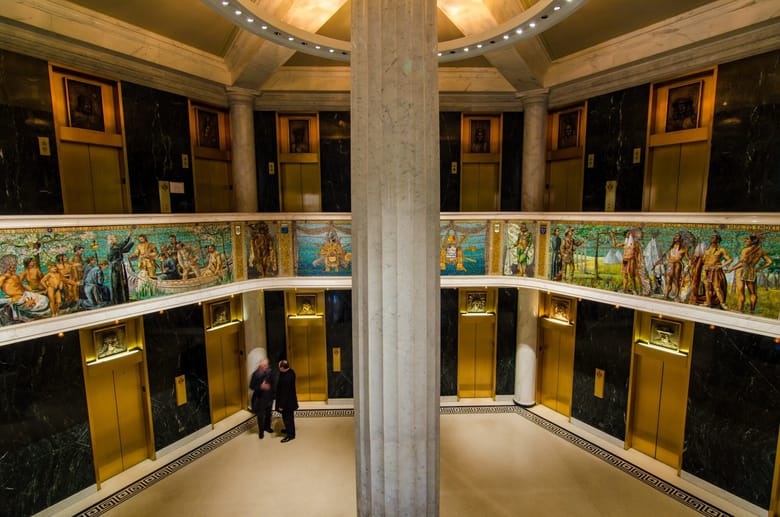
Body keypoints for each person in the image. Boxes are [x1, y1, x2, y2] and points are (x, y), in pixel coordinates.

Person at [726, 233, 773, 314]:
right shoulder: (761, 251)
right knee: (753, 293)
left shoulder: (745, 250)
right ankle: (752, 311)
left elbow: (742, 263)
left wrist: (731, 269)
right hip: (751, 271)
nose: (745, 241)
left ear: (752, 241)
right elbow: (770, 262)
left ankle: (740, 310)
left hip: (741, 270)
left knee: (741, 292)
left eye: (747, 239)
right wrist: (758, 268)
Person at [653, 232, 689, 301]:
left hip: (677, 264)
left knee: (676, 281)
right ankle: (666, 295)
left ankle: (676, 296)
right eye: (675, 236)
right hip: (670, 265)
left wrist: (691, 261)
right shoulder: (671, 247)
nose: (675, 237)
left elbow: (687, 258)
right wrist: (656, 263)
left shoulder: (684, 248)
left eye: (677, 236)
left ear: (681, 238)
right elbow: (663, 257)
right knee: (668, 281)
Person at [701, 233, 732, 310]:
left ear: (718, 240)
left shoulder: (721, 250)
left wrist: (721, 266)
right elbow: (703, 260)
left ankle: (722, 303)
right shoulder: (706, 250)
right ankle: (708, 302)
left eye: (714, 237)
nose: (712, 238)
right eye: (711, 237)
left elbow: (730, 259)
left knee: (717, 287)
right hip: (706, 270)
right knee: (707, 287)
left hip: (715, 270)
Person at [249, 358, 274, 439]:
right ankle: (261, 431)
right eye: (265, 365)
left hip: (269, 397)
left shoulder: (269, 372)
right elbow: (251, 387)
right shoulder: (256, 374)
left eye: (267, 365)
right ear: (261, 365)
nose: (266, 367)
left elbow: (272, 383)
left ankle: (267, 427)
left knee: (268, 413)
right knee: (261, 415)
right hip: (260, 398)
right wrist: (260, 386)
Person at [275, 359, 299, 443]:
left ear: (282, 367)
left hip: (287, 403)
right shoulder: (291, 371)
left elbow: (284, 393)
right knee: (289, 417)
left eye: (279, 367)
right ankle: (288, 430)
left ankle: (290, 435)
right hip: (290, 401)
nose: (278, 368)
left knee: (287, 418)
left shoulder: (286, 378)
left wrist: (281, 405)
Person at [107, 232, 134, 304]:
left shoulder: (116, 247)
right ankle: (118, 300)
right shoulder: (113, 247)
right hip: (116, 267)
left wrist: (132, 242)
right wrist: (128, 237)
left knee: (121, 282)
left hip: (119, 266)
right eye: (115, 238)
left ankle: (122, 299)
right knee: (117, 283)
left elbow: (125, 250)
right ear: (112, 240)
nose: (117, 239)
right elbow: (122, 245)